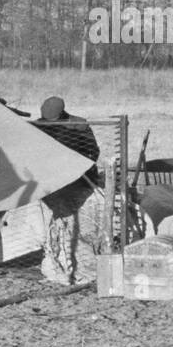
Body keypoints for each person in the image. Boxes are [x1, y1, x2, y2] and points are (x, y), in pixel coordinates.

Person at [30, 97, 100, 284]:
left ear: (62, 113)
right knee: (54, 227)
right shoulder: (38, 126)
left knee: (76, 227)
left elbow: (92, 151)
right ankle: (58, 263)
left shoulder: (78, 125)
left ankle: (79, 266)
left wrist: (77, 165)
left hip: (78, 180)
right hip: (50, 182)